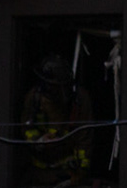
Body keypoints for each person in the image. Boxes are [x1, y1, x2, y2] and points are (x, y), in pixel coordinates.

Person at [19, 52, 94, 180]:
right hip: (39, 169)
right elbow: (25, 129)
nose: (60, 92)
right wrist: (40, 140)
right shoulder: (34, 99)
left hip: (68, 170)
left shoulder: (80, 100)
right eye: (53, 87)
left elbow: (85, 137)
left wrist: (81, 170)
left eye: (63, 87)